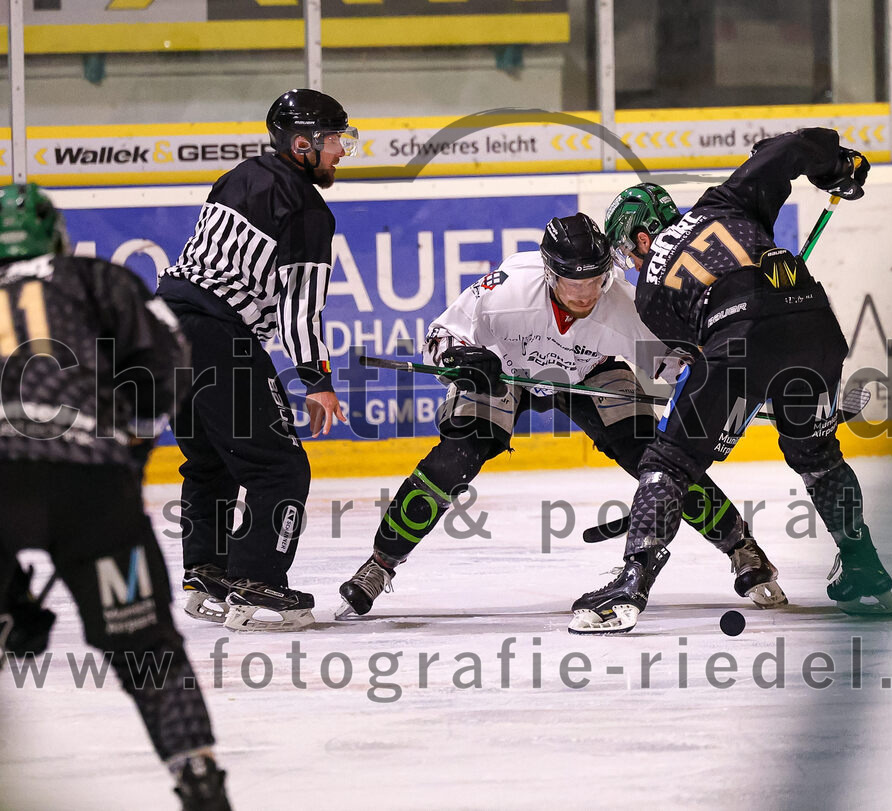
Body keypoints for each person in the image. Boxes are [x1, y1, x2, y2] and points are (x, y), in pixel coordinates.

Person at [334, 212, 786, 619]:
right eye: (573, 280)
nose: (586, 291)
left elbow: (674, 365)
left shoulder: (625, 306)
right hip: (506, 369)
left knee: (659, 459)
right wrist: (463, 358)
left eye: (596, 277)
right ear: (550, 273)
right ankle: (379, 564)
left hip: (590, 372)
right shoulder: (506, 289)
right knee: (455, 458)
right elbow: (441, 334)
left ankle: (743, 549)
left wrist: (715, 386)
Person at [570, 128, 892, 634]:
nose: (629, 266)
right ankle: (864, 569)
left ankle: (630, 584)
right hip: (816, 327)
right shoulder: (722, 204)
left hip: (742, 338)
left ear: (641, 237)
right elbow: (790, 148)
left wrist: (717, 434)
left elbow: (722, 376)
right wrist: (837, 167)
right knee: (816, 454)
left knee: (668, 462)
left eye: (626, 253)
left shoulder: (650, 297)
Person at [0, 183, 231, 809]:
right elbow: (169, 360)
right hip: (88, 483)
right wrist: (129, 446)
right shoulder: (91, 277)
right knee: (146, 647)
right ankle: (198, 777)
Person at [158, 89, 358, 631]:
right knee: (280, 467)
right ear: (303, 144)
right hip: (216, 336)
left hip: (165, 329)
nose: (342, 150)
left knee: (211, 461)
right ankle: (257, 581)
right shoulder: (308, 211)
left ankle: (208, 571)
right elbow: (299, 310)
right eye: (337, 139)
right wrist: (316, 380)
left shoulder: (239, 175)